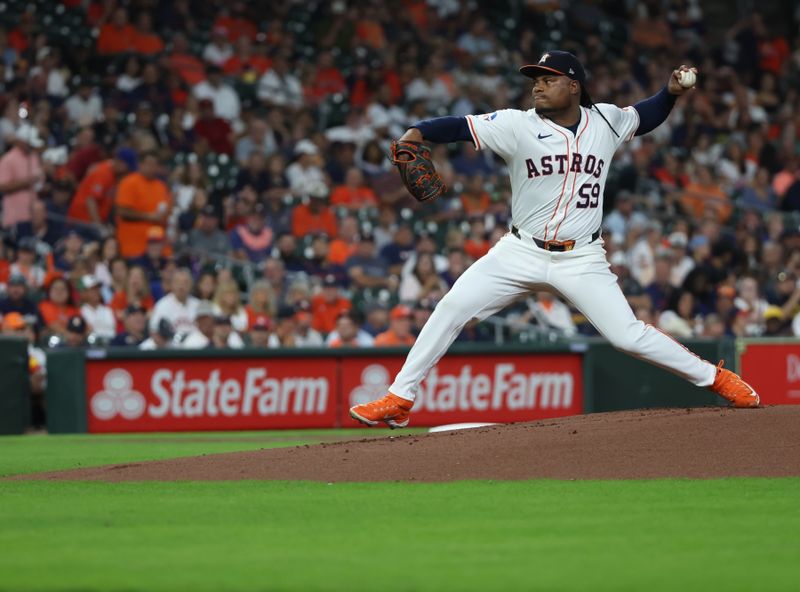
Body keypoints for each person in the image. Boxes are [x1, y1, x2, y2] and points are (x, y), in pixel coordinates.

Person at [350, 51, 759, 429]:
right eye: (536, 79)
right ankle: (400, 398)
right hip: (520, 250)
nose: (538, 85)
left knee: (627, 336)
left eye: (549, 78)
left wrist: (669, 94)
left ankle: (716, 378)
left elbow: (644, 116)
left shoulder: (606, 120)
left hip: (581, 257)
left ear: (574, 86)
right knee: (453, 305)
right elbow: (458, 126)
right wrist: (416, 132)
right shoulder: (516, 124)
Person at [115, 151, 172, 259]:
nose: (152, 168)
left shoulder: (161, 186)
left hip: (158, 247)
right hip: (134, 246)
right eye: (149, 164)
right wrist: (148, 216)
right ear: (140, 165)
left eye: (155, 165)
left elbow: (165, 211)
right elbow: (122, 211)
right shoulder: (129, 182)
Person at [67, 148, 138, 230]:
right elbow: (91, 200)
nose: (128, 173)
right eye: (128, 169)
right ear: (120, 163)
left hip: (92, 222)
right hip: (81, 221)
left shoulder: (116, 175)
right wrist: (99, 226)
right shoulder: (103, 173)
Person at [0, 124, 44, 229]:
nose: (31, 146)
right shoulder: (8, 159)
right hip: (16, 217)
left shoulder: (34, 156)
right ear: (21, 141)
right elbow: (2, 187)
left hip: (33, 216)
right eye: (29, 143)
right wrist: (27, 182)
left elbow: (38, 178)